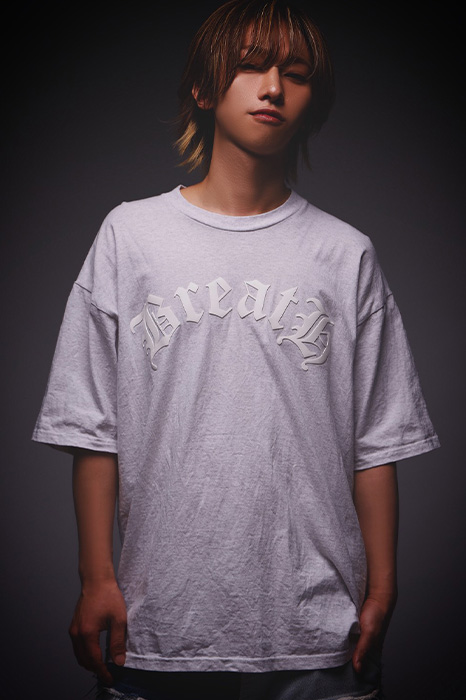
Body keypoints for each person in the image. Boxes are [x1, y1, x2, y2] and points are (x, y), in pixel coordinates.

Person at [32, 1, 440, 699]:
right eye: (251, 66)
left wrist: (383, 590)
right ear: (202, 86)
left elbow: (378, 441)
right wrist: (96, 578)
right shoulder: (130, 238)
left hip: (320, 630)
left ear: (312, 99)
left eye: (296, 73)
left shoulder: (344, 254)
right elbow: (92, 426)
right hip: (158, 629)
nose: (273, 87)